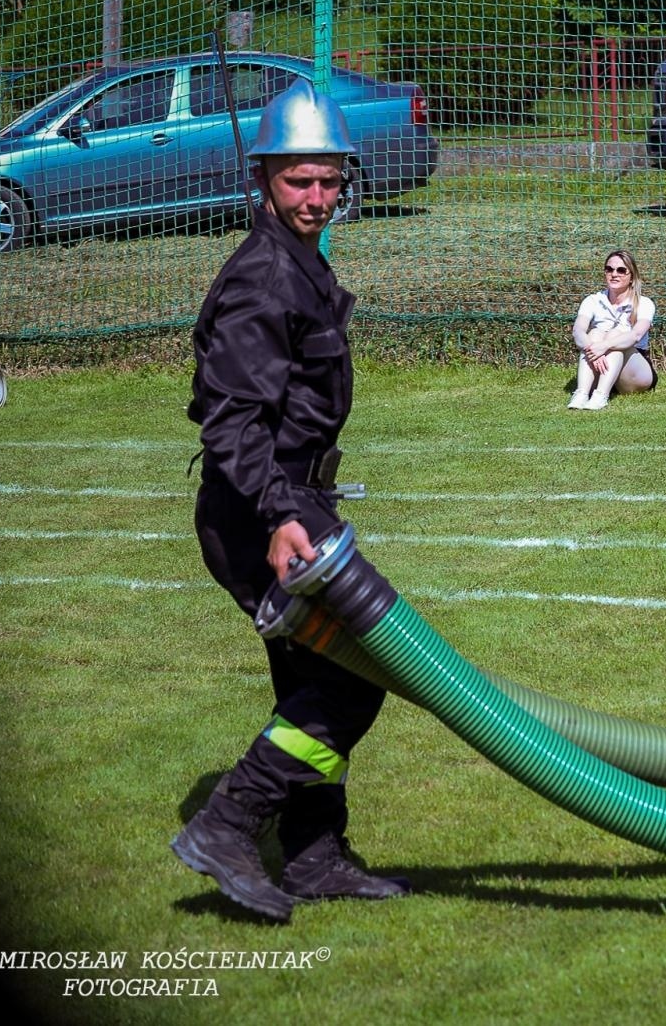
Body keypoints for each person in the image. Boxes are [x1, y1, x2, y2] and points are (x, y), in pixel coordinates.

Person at [171, 80, 408, 922]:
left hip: (293, 503)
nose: (317, 197)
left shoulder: (299, 258)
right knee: (351, 683)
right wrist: (282, 516)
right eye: (299, 181)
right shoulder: (263, 277)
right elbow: (231, 420)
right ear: (264, 178)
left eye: (330, 180)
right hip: (258, 517)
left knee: (315, 680)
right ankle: (228, 824)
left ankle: (312, 855)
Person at [568, 249, 656, 410]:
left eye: (621, 270)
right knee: (594, 333)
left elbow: (635, 335)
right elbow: (578, 331)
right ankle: (581, 393)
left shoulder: (644, 303)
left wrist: (605, 346)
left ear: (632, 277)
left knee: (615, 334)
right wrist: (593, 349)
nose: (614, 274)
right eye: (609, 269)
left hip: (634, 373)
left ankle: (601, 395)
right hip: (601, 363)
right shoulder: (592, 300)